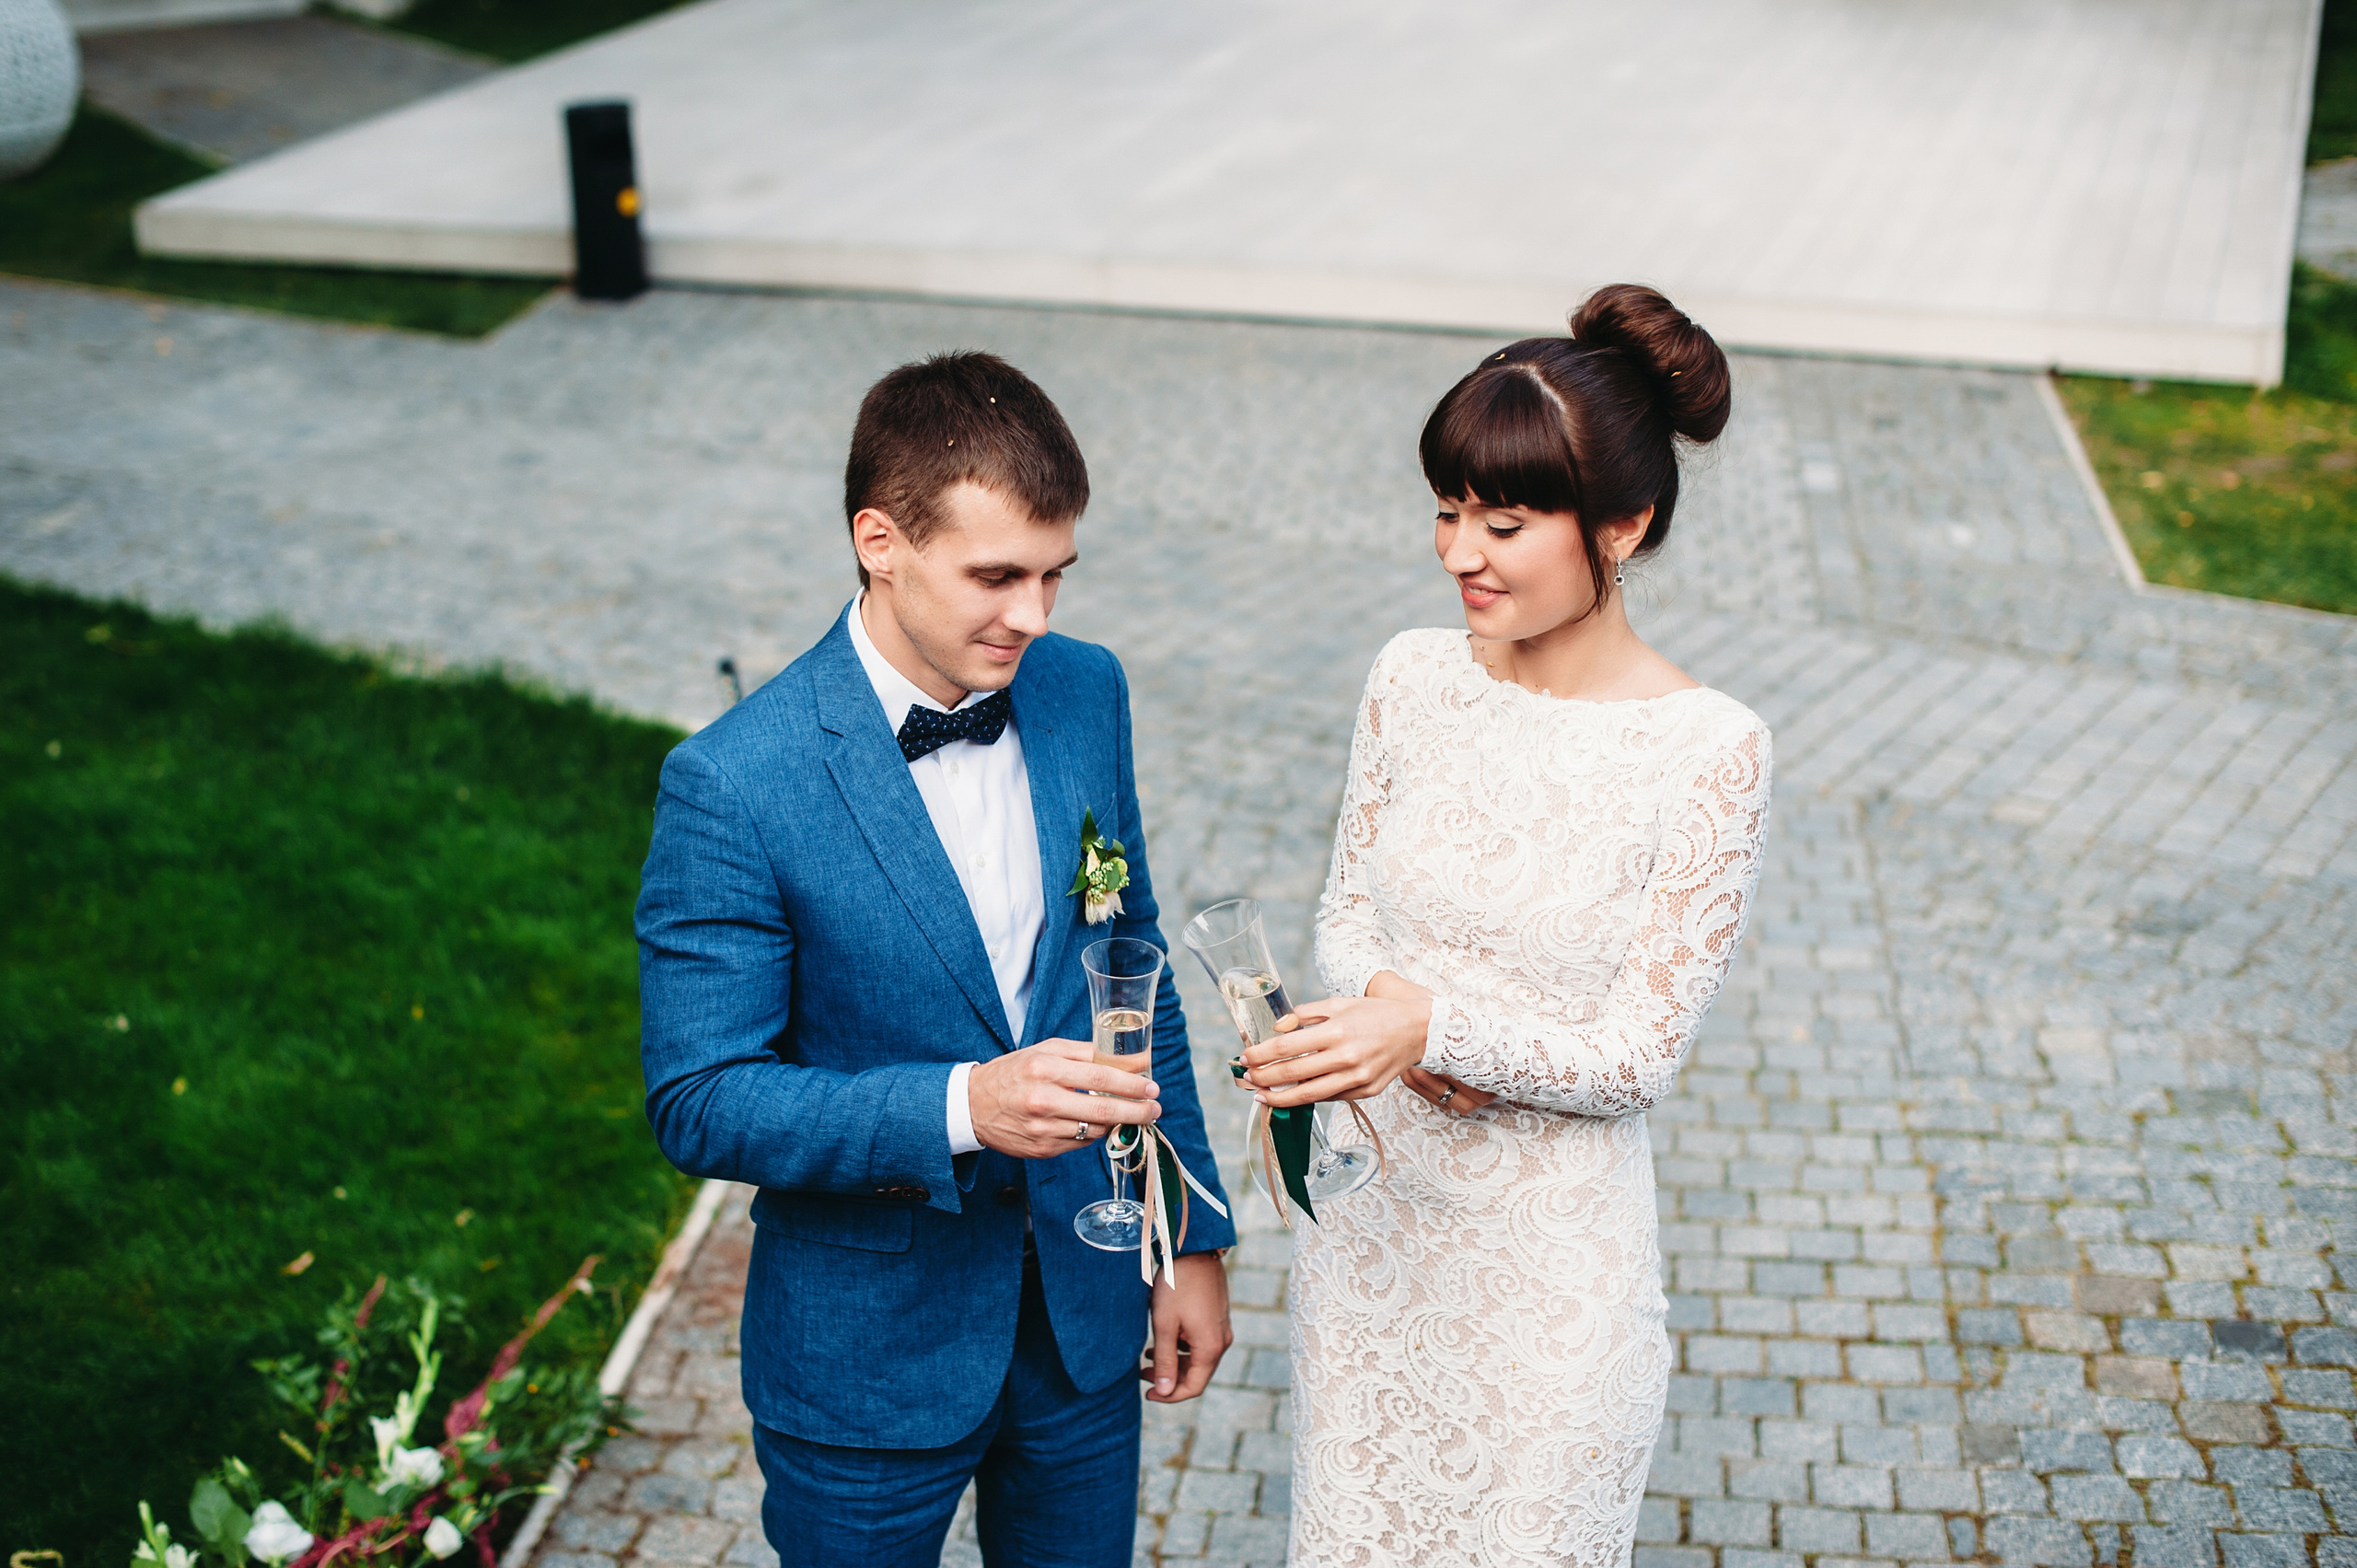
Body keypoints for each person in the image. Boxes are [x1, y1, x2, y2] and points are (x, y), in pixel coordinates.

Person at [635, 351, 1236, 1568]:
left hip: (1082, 1320)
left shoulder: (1082, 691)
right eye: (997, 577)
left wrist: (1189, 1234)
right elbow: (701, 1098)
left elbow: (1130, 960)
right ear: (881, 542)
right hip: (866, 1364)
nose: (1035, 617)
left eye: (1056, 575)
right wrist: (966, 1107)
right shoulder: (734, 783)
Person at [1240, 285, 1774, 1566]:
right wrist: (1392, 1018)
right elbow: (1346, 908)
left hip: (1549, 1279)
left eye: (1504, 522)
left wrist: (1434, 1028)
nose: (1459, 554)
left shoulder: (1711, 753)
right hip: (1374, 1243)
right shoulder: (1409, 677)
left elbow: (1638, 1058)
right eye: (1447, 511)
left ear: (1625, 526)